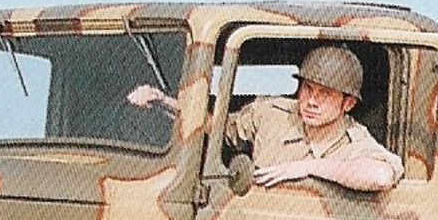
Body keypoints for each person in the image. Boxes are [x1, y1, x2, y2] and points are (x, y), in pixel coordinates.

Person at [127, 44, 403, 192]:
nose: (311, 100)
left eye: (326, 94)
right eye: (308, 88)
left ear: (348, 103)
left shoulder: (355, 139)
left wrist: (310, 168)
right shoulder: (271, 113)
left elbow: (380, 176)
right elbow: (218, 126)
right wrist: (163, 101)